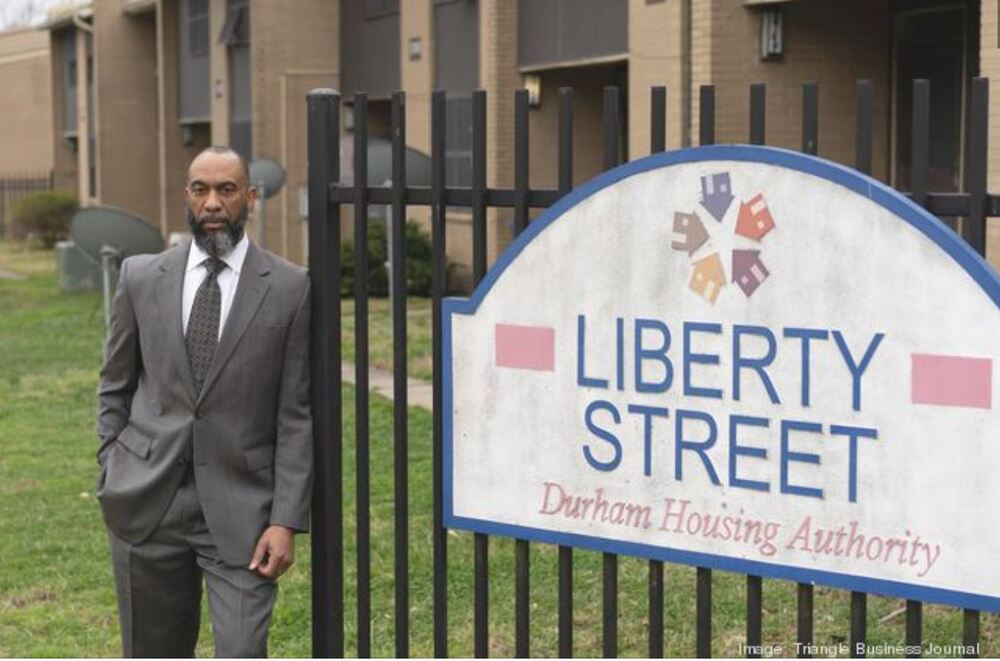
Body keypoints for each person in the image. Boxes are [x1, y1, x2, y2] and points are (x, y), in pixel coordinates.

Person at [95, 146, 313, 657]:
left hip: (244, 511)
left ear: (250, 198)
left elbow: (296, 415)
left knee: (241, 649)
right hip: (146, 502)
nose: (212, 202)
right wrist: (112, 464)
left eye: (226, 190)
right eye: (201, 190)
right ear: (186, 198)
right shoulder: (141, 277)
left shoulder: (289, 287)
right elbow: (114, 384)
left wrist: (284, 520)